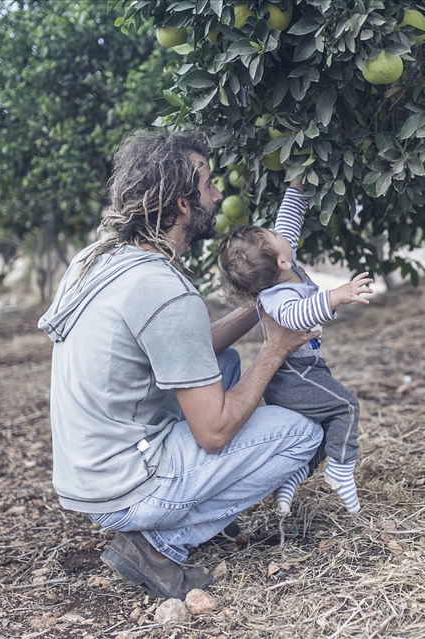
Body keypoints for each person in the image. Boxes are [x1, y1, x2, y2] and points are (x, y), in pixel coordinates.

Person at [37, 130, 323, 601]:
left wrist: (260, 301)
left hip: (87, 472)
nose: (217, 195)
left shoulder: (97, 259)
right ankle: (157, 542)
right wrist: (276, 349)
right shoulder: (164, 290)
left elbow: (185, 348)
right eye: (208, 185)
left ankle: (168, 516)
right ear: (183, 205)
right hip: (125, 486)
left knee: (225, 361)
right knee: (301, 434)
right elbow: (213, 432)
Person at [217, 178, 373, 515]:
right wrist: (336, 296)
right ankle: (341, 470)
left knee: (319, 431)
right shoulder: (278, 297)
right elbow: (296, 315)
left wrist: (297, 188)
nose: (281, 235)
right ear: (281, 262)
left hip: (307, 369)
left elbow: (289, 221)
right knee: (345, 408)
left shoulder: (286, 270)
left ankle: (292, 480)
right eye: (275, 238)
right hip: (291, 376)